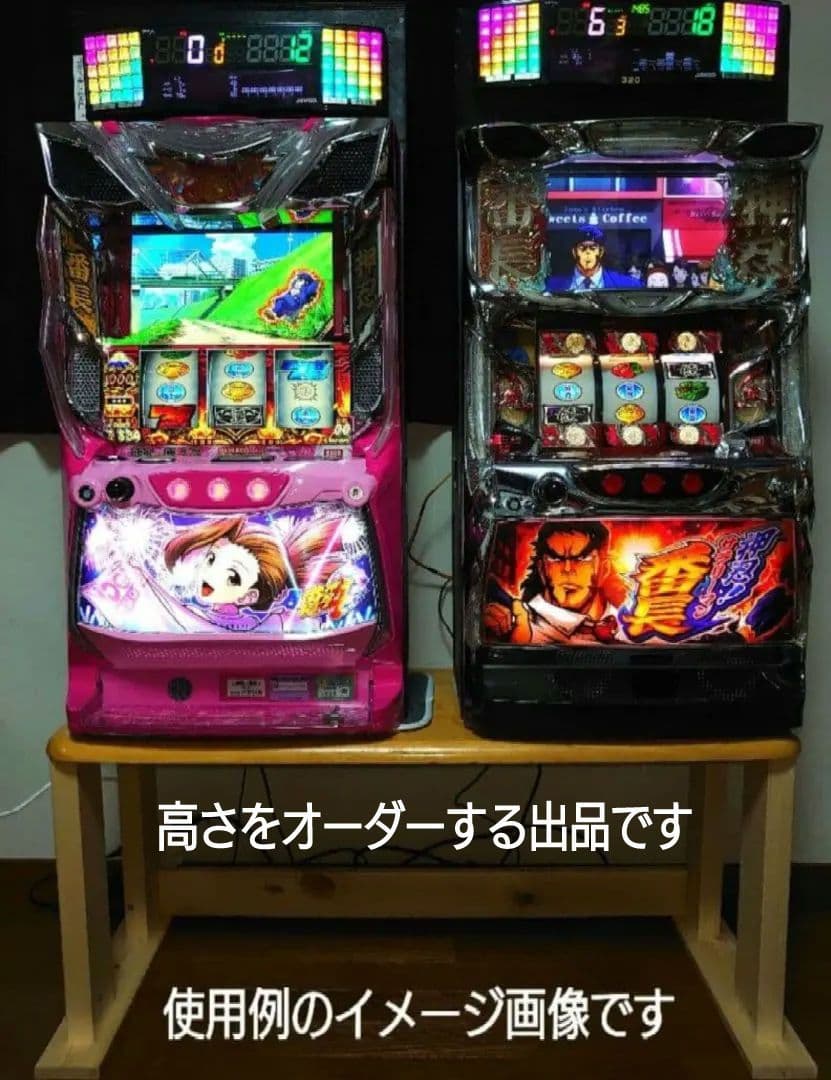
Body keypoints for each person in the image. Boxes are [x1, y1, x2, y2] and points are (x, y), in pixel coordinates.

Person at [484, 522, 621, 645]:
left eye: (582, 558)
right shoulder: (518, 624)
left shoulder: (626, 624)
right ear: (542, 568)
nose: (567, 569)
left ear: (604, 568)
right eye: (555, 559)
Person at [545, 226, 642, 293]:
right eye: (582, 248)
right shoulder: (551, 285)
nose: (588, 252)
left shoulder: (629, 285)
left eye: (593, 248)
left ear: (601, 252)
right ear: (574, 252)